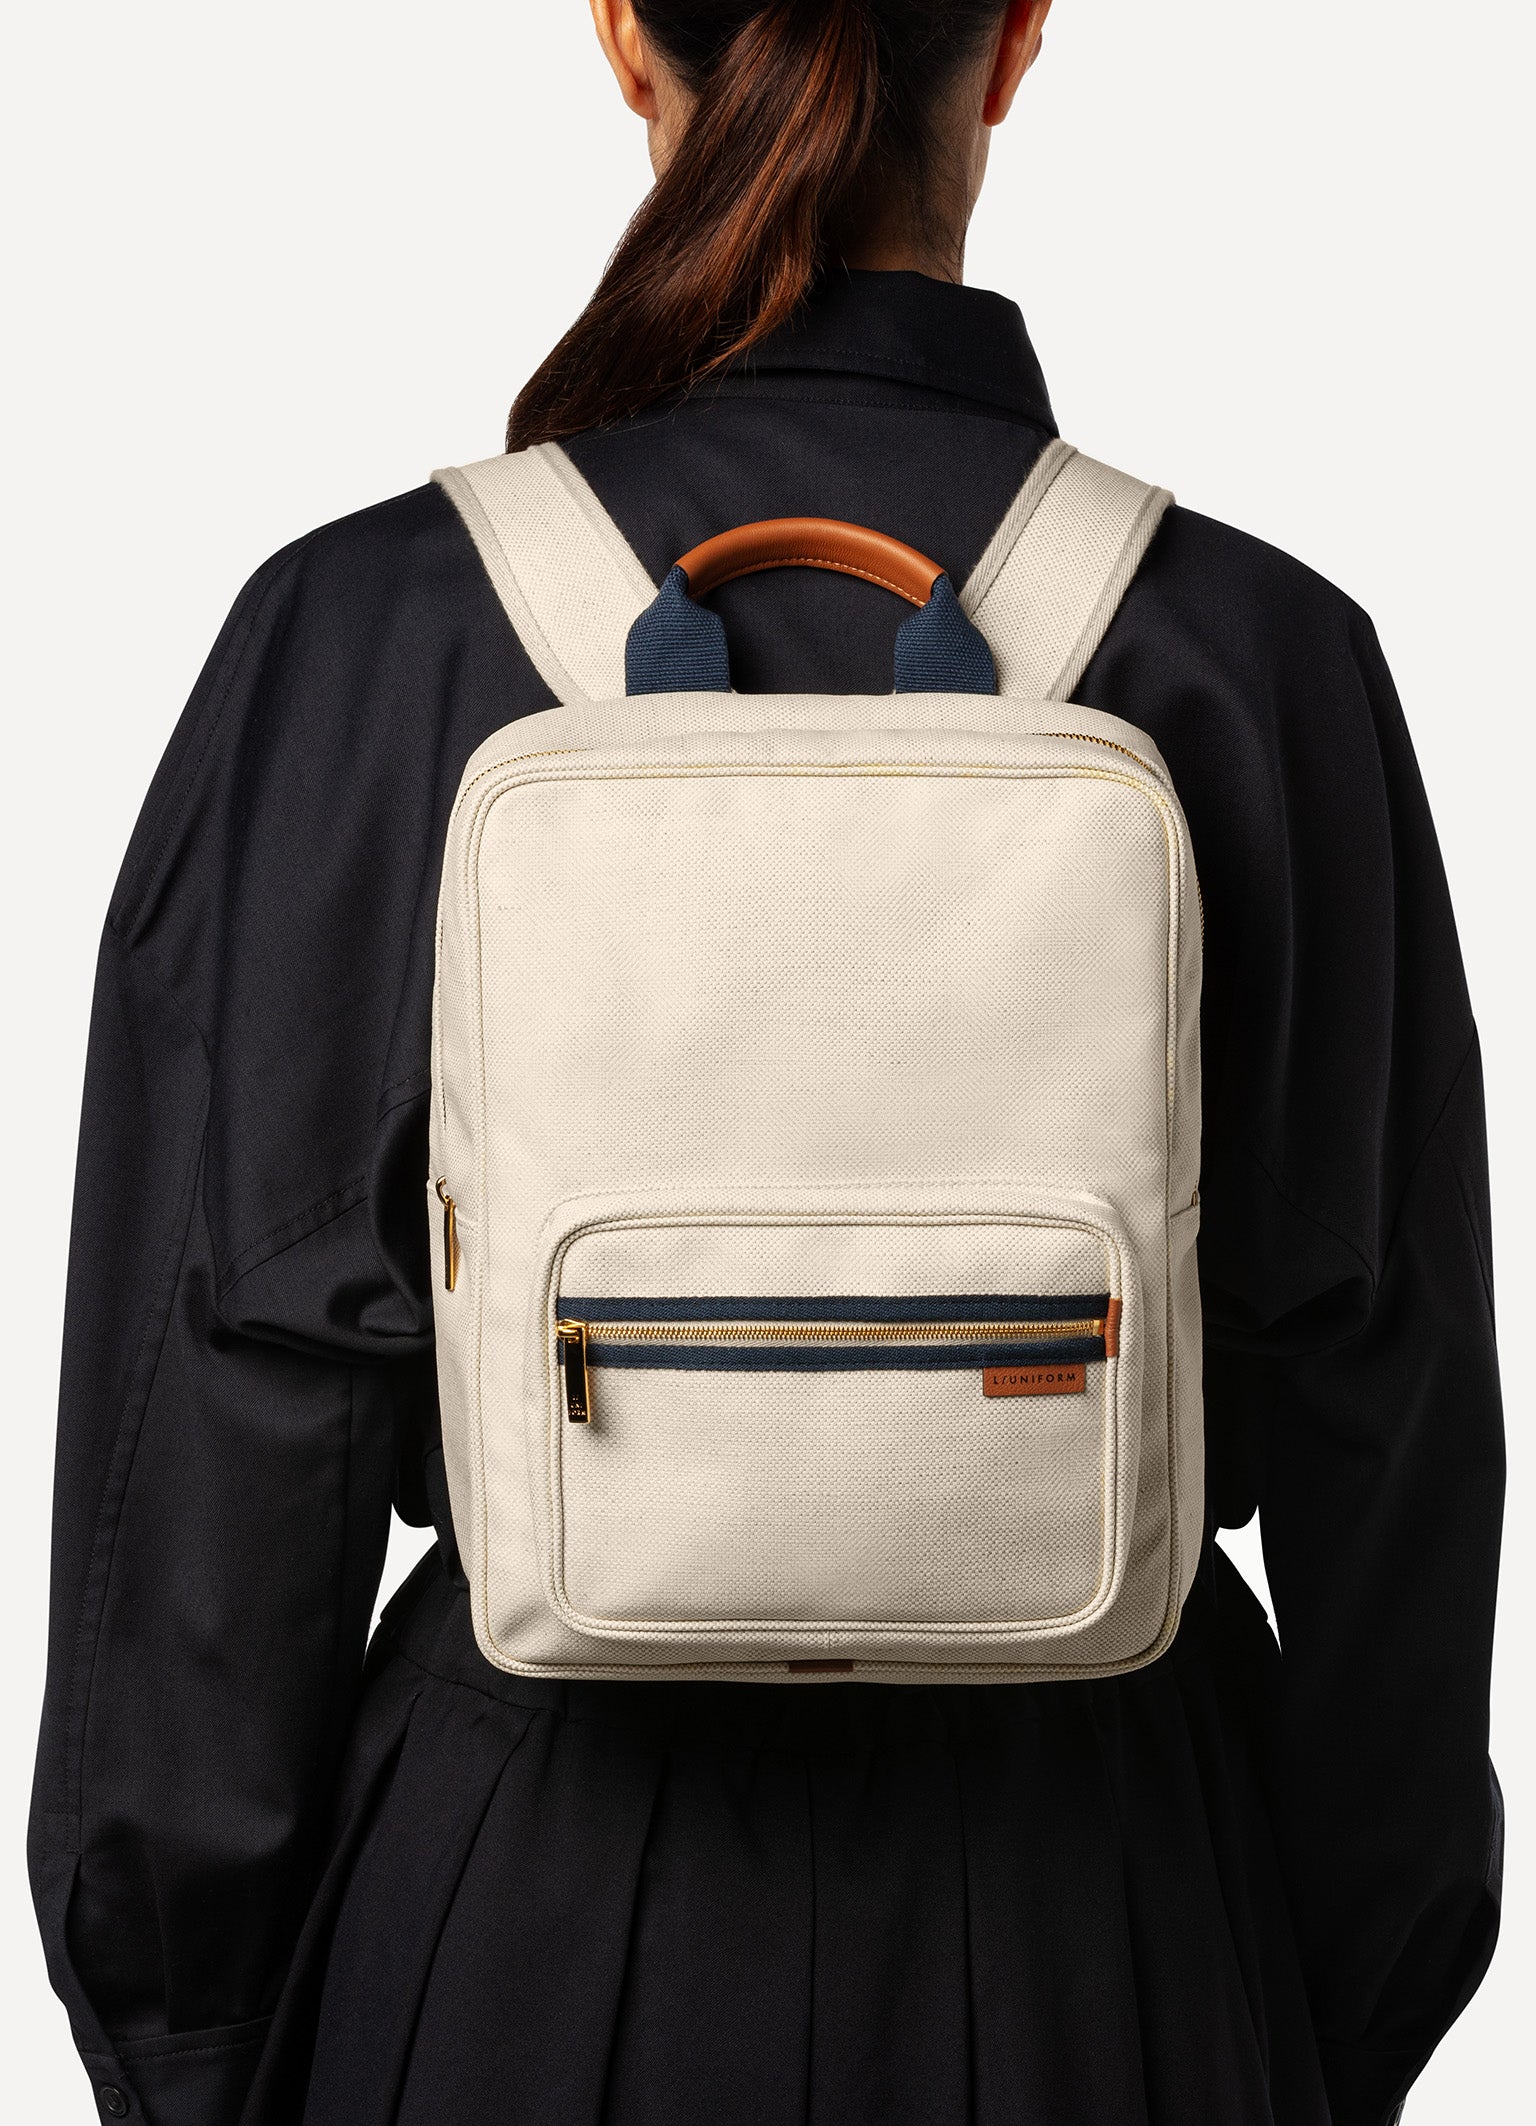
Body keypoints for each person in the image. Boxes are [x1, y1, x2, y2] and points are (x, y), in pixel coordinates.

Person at [30, 3, 1504, 2122]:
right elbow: (1396, 1478)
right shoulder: (1264, 661)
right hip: (1107, 1916)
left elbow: (204, 1470)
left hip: (511, 1930)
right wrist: (1288, 2019)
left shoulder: (357, 641)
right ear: (1016, 38)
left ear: (624, 36)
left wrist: (194, 2043)